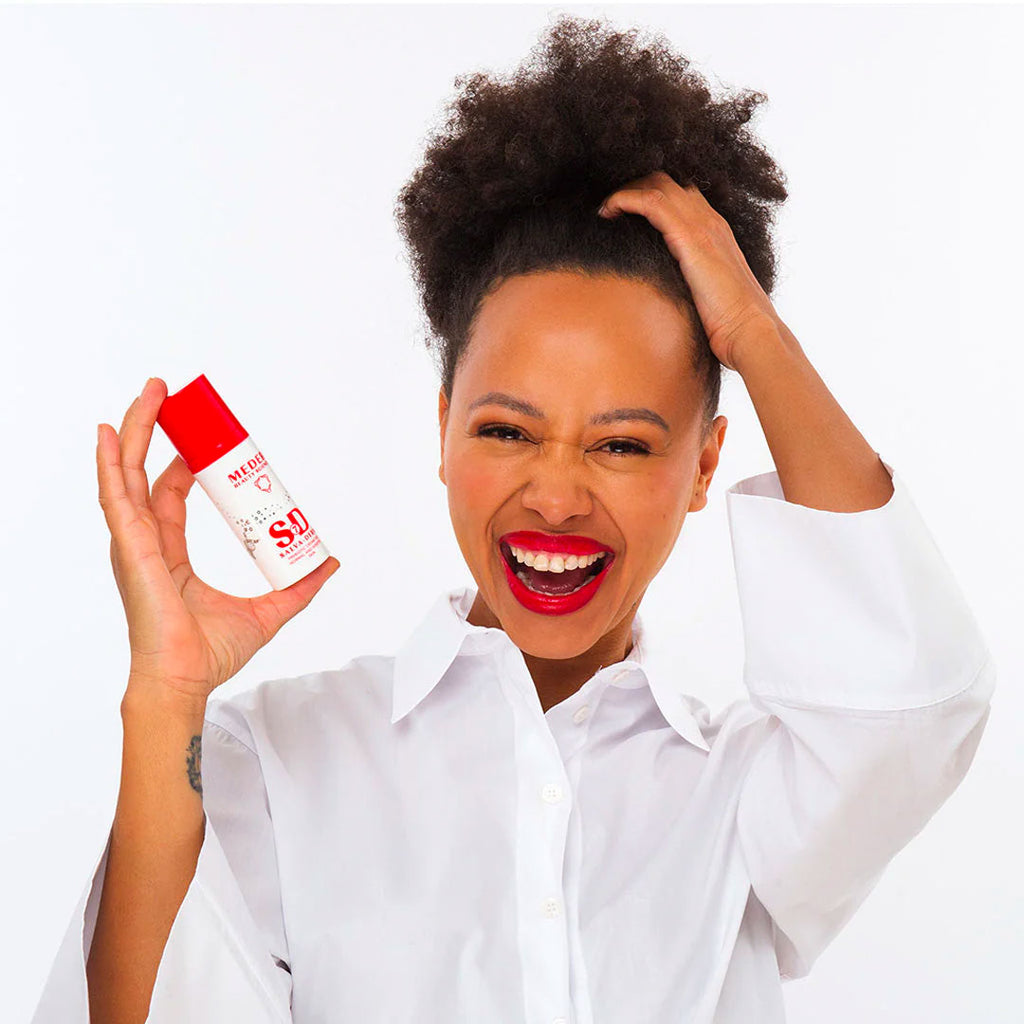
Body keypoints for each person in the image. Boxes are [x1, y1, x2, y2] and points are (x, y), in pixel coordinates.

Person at [31, 14, 995, 1024]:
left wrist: (753, 333)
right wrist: (165, 695)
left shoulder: (749, 795)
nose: (557, 493)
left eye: (621, 444)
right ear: (443, 429)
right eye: (505, 430)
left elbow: (911, 700)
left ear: (704, 463)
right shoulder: (271, 758)